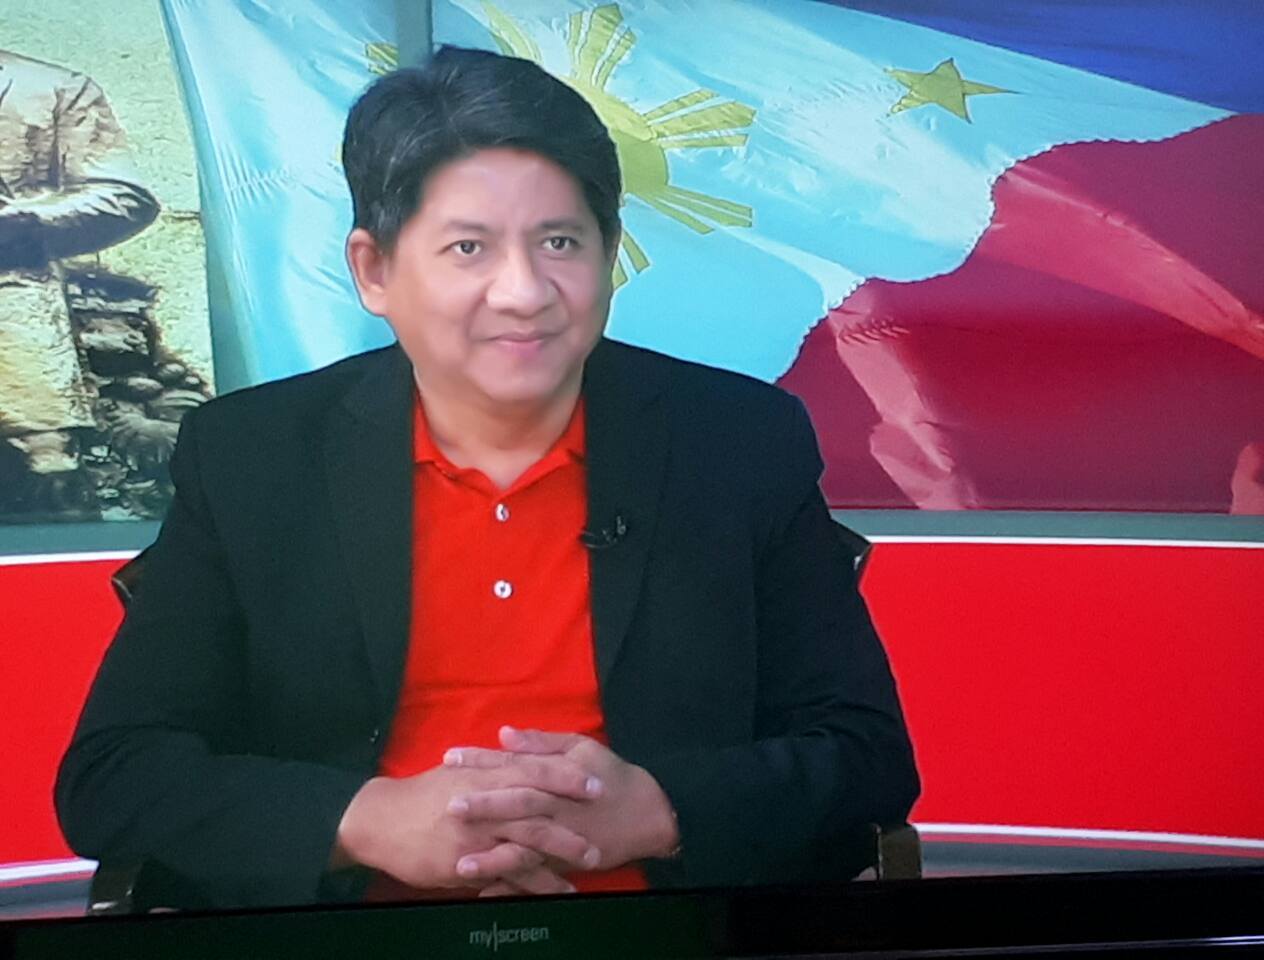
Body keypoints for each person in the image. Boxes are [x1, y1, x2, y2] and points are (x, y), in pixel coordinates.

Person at [56, 46, 918, 910]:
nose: (524, 292)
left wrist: (660, 811)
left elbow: (867, 757)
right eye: (469, 247)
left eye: (560, 242)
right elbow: (115, 775)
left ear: (609, 254)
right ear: (375, 271)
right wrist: (362, 820)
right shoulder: (252, 456)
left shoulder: (737, 442)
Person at [0, 48, 160, 516]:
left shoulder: (53, 88)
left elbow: (125, 198)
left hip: (17, 345)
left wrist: (23, 221)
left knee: (46, 494)